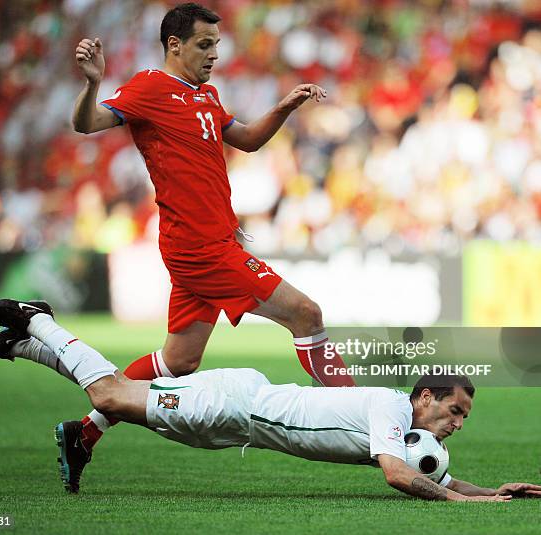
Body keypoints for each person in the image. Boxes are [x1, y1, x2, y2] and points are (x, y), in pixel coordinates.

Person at [68, 1, 355, 490]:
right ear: (174, 45)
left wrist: (284, 107)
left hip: (208, 242)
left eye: (217, 45)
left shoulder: (206, 95)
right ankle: (360, 417)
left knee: (178, 362)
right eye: (205, 45)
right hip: (201, 248)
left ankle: (83, 432)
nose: (214, 54)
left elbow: (245, 140)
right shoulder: (148, 88)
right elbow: (87, 124)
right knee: (307, 314)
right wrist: (93, 82)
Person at [0, 298, 541, 501]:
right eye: (455, 411)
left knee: (122, 401)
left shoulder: (402, 424)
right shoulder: (390, 409)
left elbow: (436, 479)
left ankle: (22, 347)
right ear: (426, 397)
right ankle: (39, 322)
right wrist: (467, 507)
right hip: (234, 403)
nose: (457, 424)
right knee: (111, 394)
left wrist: (492, 491)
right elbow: (399, 477)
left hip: (235, 424)